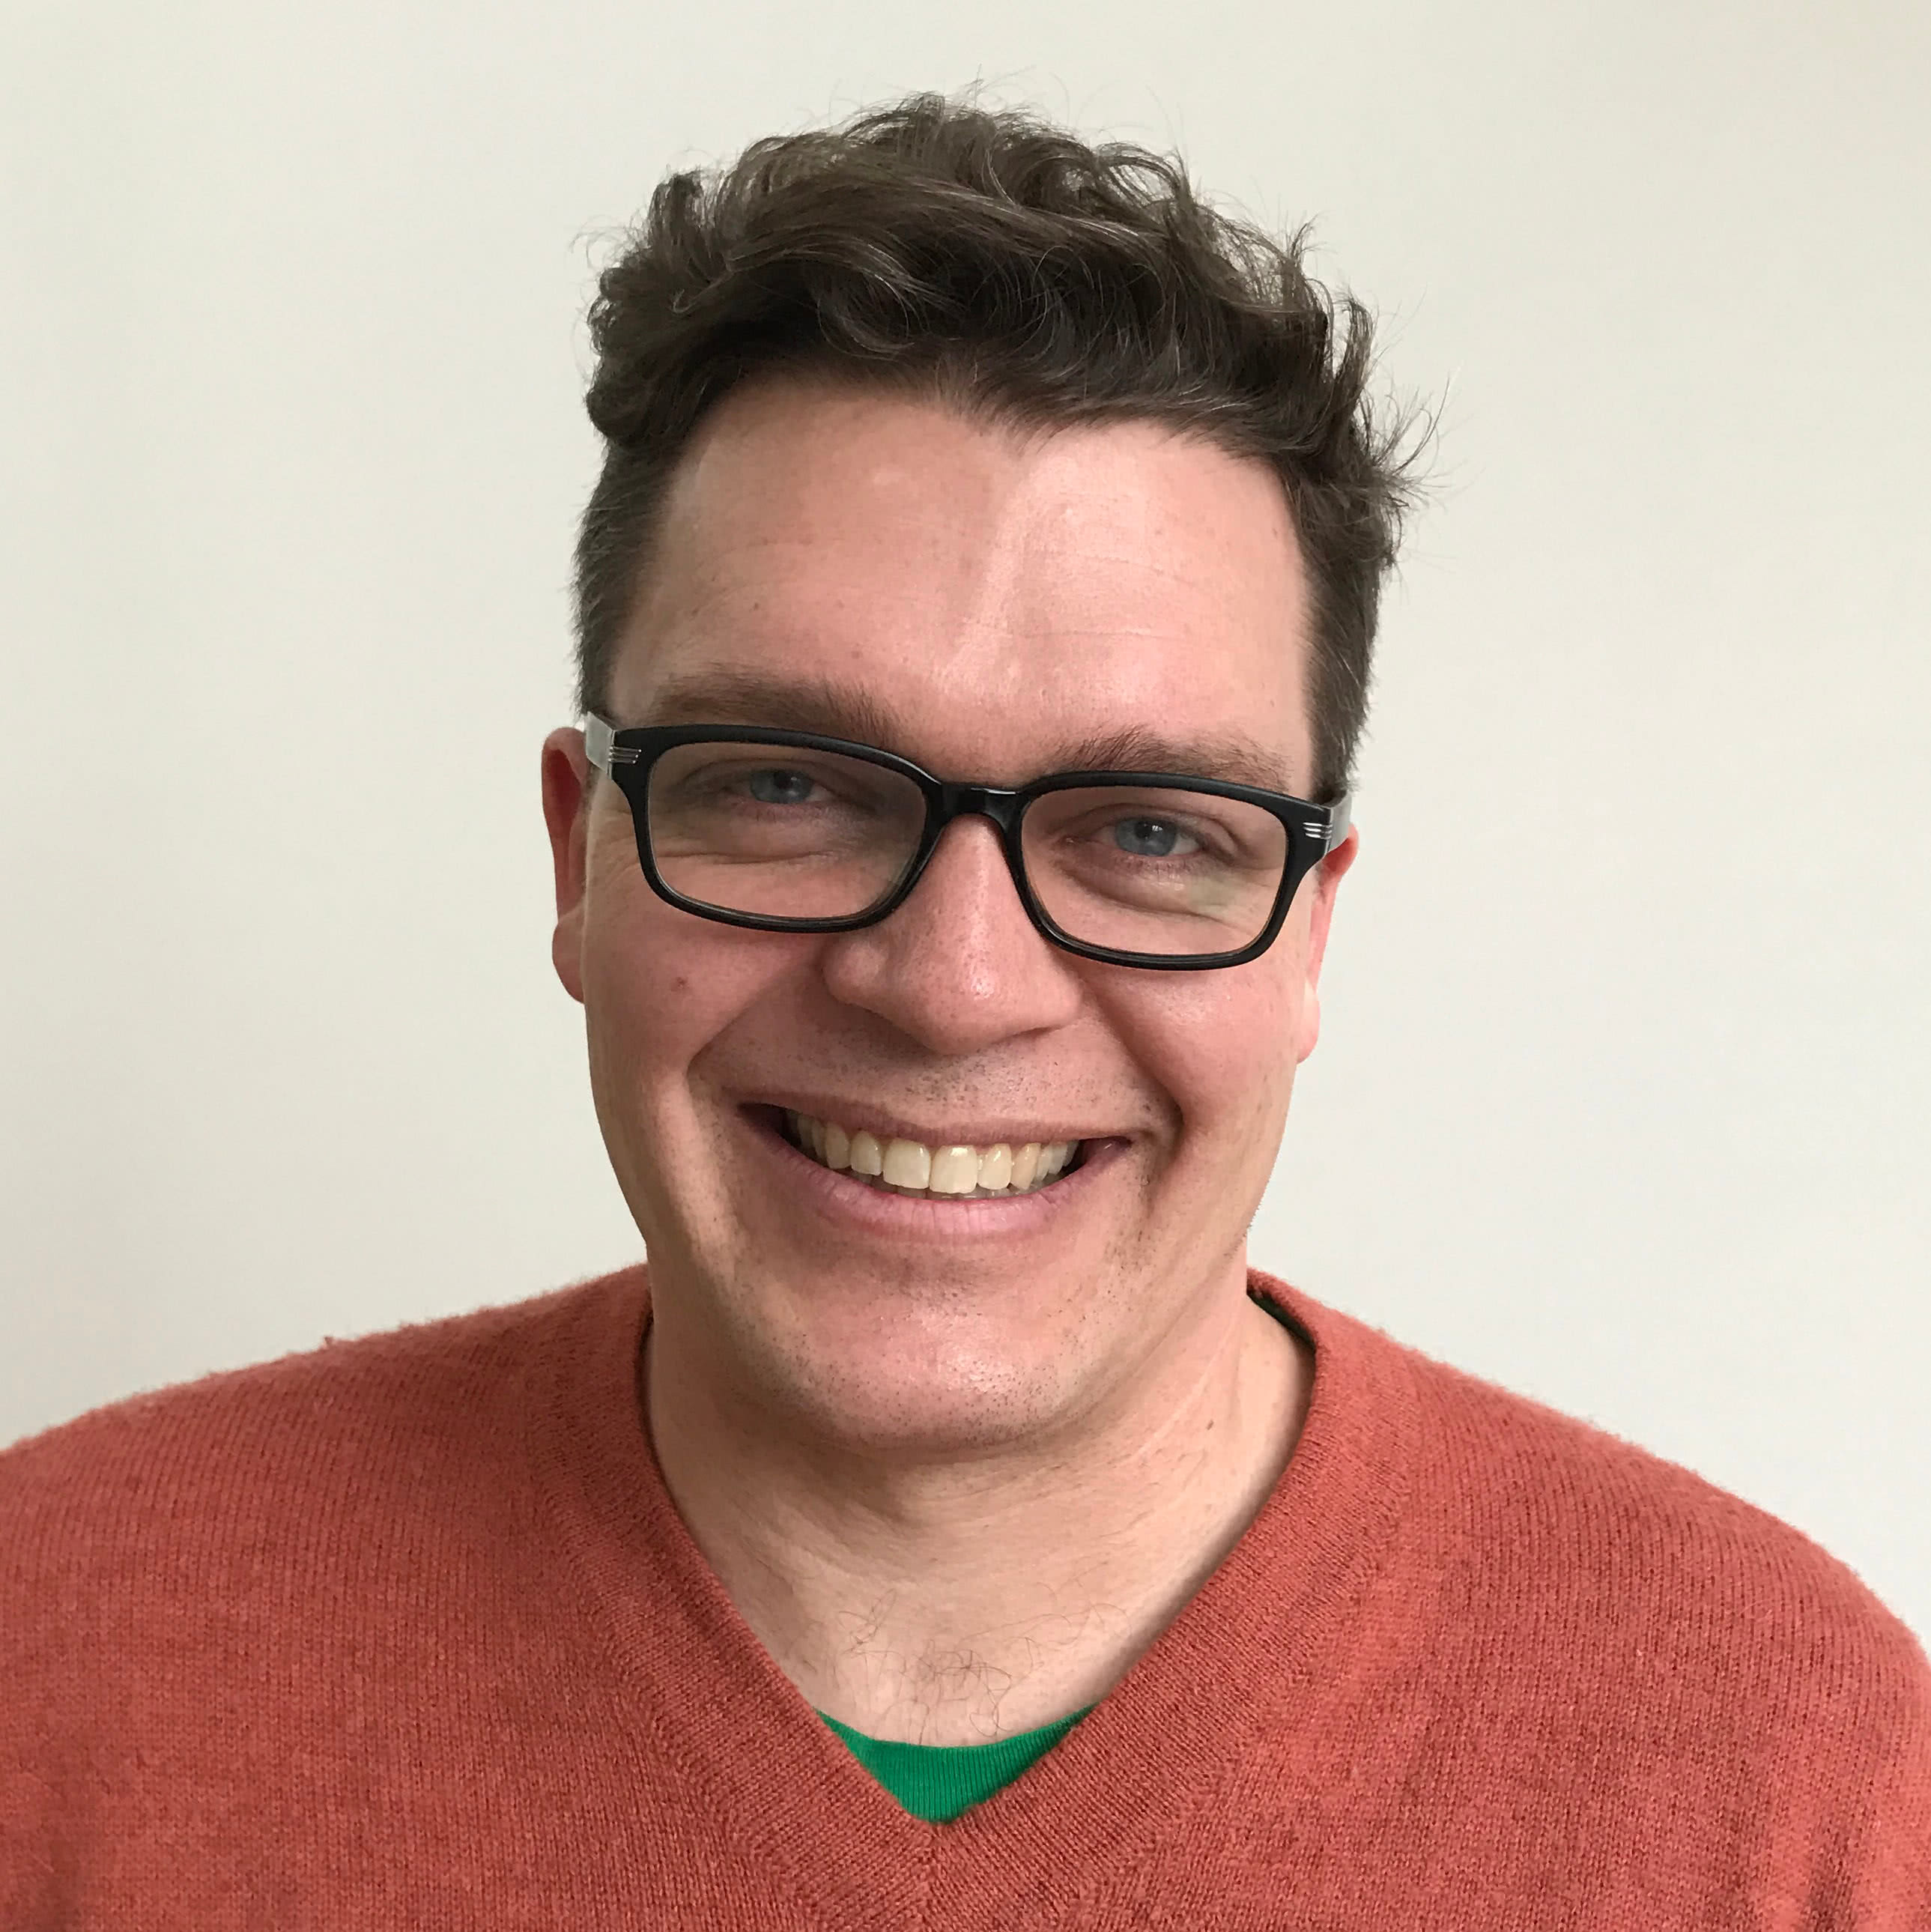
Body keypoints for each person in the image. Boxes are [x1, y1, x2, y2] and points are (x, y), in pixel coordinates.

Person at [3, 92, 1926, 1929]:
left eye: (1149, 830)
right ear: (581, 850)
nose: (953, 987)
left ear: (1306, 931)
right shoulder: (54, 1661)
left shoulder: (1799, 1786)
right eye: (786, 785)